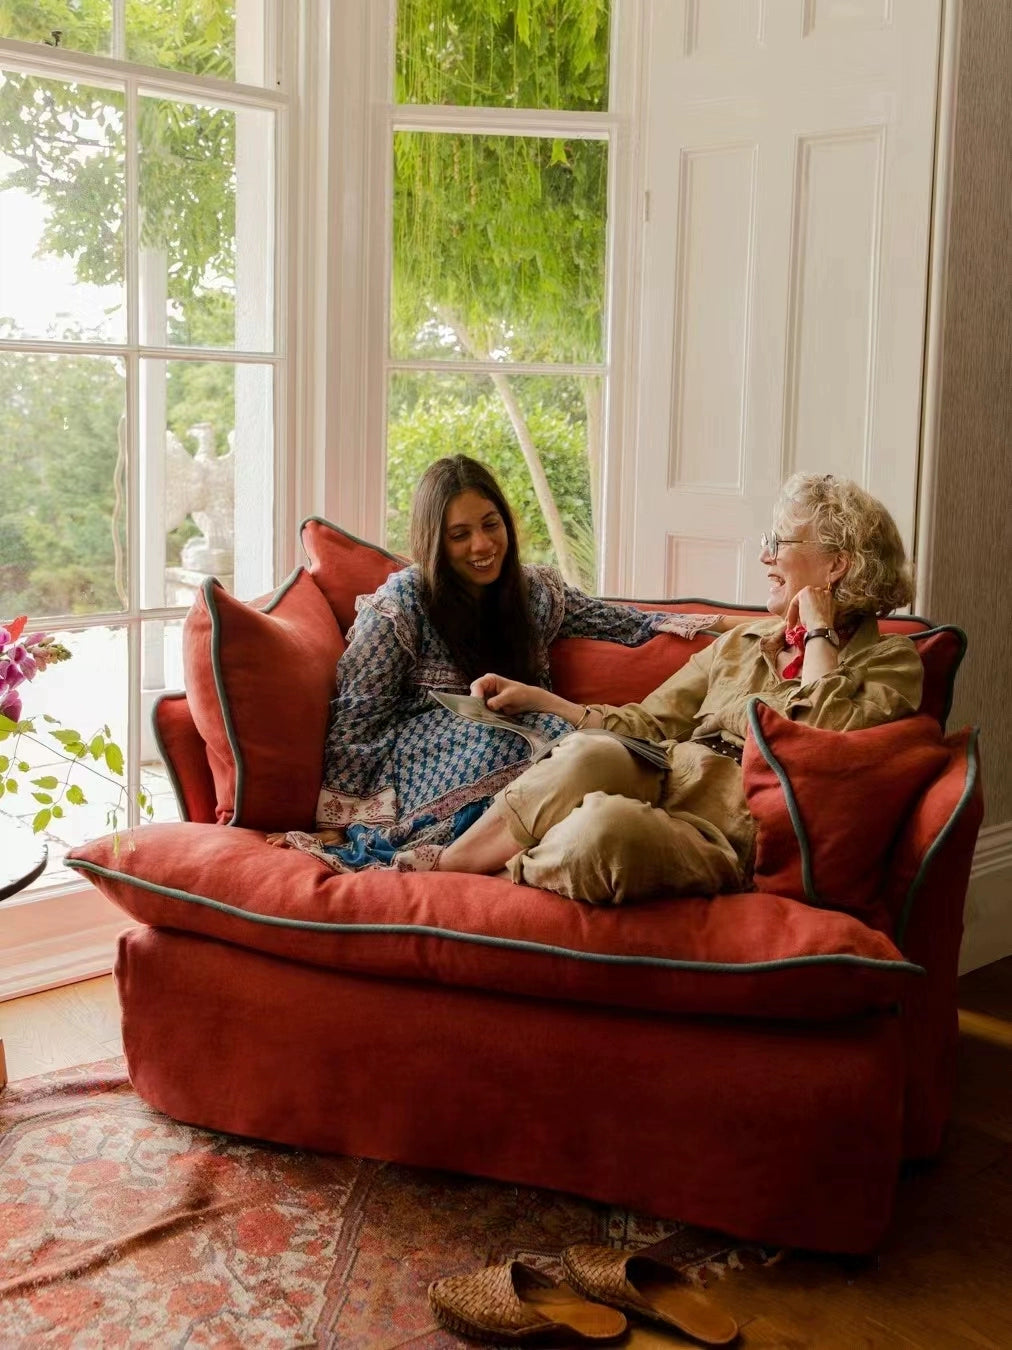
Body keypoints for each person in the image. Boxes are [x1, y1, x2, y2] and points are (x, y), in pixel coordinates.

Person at [419, 472, 923, 904]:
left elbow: (813, 740)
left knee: (602, 830)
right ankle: (437, 870)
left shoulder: (892, 662)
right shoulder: (743, 642)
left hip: (724, 825)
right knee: (587, 755)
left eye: (780, 543)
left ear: (836, 564)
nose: (765, 556)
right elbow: (646, 722)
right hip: (662, 768)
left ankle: (504, 873)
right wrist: (541, 698)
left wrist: (818, 630)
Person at [276, 455, 732, 870]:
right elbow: (358, 716)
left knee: (575, 747)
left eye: (490, 524)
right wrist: (339, 819)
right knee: (557, 741)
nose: (482, 545)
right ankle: (454, 855)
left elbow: (629, 623)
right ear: (434, 541)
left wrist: (745, 626)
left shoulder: (535, 593)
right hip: (419, 765)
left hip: (523, 740)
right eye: (460, 535)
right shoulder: (401, 604)